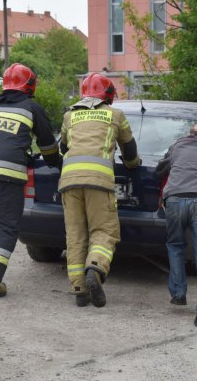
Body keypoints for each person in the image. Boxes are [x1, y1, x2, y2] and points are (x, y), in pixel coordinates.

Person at [0, 63, 60, 299]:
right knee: (5, 224)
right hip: (10, 172)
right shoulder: (31, 107)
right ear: (30, 85)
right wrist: (55, 162)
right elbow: (47, 144)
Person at [59, 73, 140, 307]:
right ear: (109, 94)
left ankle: (79, 289)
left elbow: (63, 146)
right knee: (105, 231)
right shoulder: (115, 114)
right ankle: (95, 267)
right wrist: (133, 164)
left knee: (75, 235)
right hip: (99, 182)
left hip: (69, 182)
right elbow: (129, 149)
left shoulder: (69, 116)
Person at [156, 123, 197, 326]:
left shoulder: (177, 146)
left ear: (190, 134)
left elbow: (161, 169)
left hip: (174, 200)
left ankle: (178, 294)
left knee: (175, 245)